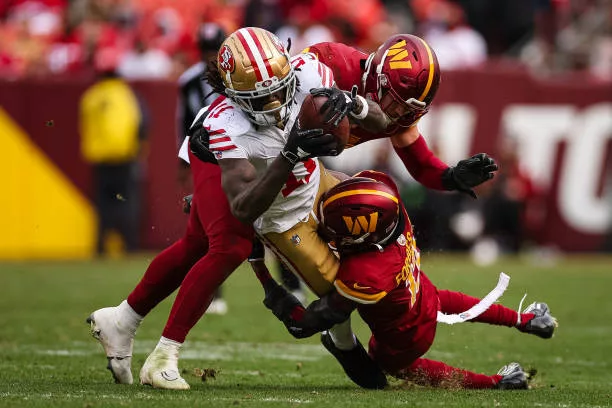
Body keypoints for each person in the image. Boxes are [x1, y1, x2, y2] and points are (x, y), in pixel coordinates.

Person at [261, 171, 558, 389]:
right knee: (446, 299)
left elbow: (319, 318)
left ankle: (498, 382)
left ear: (364, 235)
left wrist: (278, 298)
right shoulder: (389, 202)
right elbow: (352, 182)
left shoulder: (366, 273)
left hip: (404, 337)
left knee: (390, 364)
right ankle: (526, 320)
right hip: (422, 293)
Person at [79, 47, 148, 256]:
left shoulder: (90, 97)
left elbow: (84, 127)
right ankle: (130, 246)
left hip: (100, 158)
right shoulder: (128, 95)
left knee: (102, 205)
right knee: (127, 202)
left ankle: (100, 248)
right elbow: (143, 123)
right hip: (125, 157)